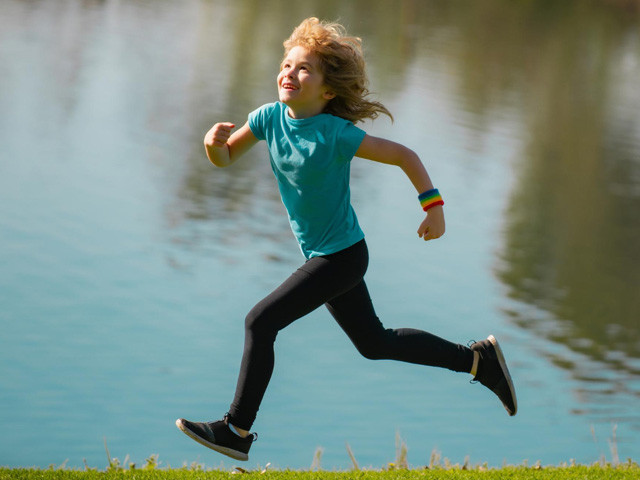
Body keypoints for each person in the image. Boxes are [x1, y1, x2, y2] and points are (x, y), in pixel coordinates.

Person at [176, 17, 517, 462]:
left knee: (260, 322)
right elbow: (224, 158)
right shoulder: (266, 119)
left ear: (328, 90)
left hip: (342, 258)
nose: (289, 73)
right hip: (327, 254)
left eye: (304, 69)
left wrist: (433, 206)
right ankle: (478, 360)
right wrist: (210, 143)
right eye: (287, 64)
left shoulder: (335, 134)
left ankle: (236, 429)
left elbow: (403, 155)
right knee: (375, 344)